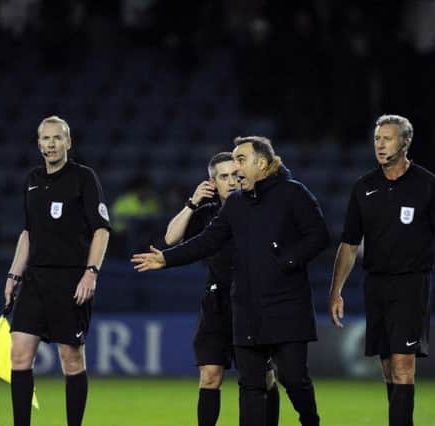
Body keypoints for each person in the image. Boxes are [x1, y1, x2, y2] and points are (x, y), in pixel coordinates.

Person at [132, 137, 329, 426]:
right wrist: (166, 258)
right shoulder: (235, 204)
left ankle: (310, 420)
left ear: (261, 164)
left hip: (286, 304)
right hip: (244, 306)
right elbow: (207, 241)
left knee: (292, 377)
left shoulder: (293, 193)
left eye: (240, 160)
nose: (235, 168)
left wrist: (286, 261)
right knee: (250, 384)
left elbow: (319, 236)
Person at [328, 114, 435, 426]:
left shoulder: (427, 185)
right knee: (388, 370)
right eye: (377, 139)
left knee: (403, 365)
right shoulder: (363, 187)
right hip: (376, 285)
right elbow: (350, 244)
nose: (380, 145)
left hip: (412, 284)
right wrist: (336, 291)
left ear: (406, 142)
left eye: (388, 138)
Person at [4, 116, 110, 426]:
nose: (51, 144)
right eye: (45, 139)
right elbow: (28, 234)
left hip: (71, 279)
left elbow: (101, 231)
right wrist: (13, 276)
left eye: (57, 138)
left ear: (68, 142)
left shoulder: (83, 178)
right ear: (38, 144)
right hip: (35, 279)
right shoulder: (32, 180)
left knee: (71, 358)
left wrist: (91, 272)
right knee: (19, 355)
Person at [164, 152, 279, 426]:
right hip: (217, 303)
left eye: (235, 175)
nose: (231, 182)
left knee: (262, 376)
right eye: (223, 177)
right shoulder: (206, 214)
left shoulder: (258, 208)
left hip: (252, 304)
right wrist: (192, 203)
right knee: (210, 374)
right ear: (212, 182)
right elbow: (170, 238)